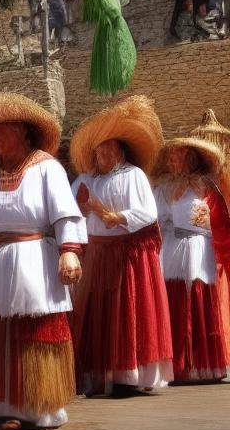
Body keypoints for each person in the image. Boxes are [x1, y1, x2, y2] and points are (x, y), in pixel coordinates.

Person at [0, 93, 87, 430]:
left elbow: (65, 213)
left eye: (4, 131)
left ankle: (36, 405)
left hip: (33, 259)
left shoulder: (47, 167)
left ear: (25, 133)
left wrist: (69, 251)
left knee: (33, 330)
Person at [70, 95, 174, 397]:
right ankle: (96, 373)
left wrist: (119, 217)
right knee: (96, 314)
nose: (103, 153)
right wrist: (83, 210)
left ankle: (127, 374)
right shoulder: (86, 180)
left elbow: (148, 213)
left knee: (126, 312)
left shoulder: (134, 176)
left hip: (127, 255)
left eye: (108, 147)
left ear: (119, 150)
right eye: (99, 148)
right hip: (97, 253)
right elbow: (71, 207)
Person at [154, 137, 230, 382]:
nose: (175, 160)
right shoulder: (163, 186)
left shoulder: (206, 185)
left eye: (181, 155)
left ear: (191, 157)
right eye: (173, 155)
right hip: (172, 246)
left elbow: (221, 221)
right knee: (173, 298)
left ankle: (202, 364)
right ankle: (177, 365)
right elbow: (156, 220)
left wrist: (209, 222)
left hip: (199, 246)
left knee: (199, 298)